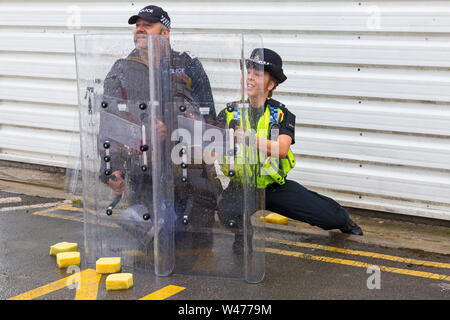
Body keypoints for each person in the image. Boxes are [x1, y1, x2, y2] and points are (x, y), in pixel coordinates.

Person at [216, 48, 363, 253]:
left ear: (271, 84)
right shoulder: (229, 112)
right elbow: (211, 144)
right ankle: (243, 235)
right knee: (225, 210)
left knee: (327, 216)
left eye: (257, 73)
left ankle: (343, 220)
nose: (249, 77)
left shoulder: (280, 113)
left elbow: (282, 149)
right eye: (248, 71)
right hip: (242, 185)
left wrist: (247, 138)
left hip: (273, 187)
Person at [100, 5, 222, 245]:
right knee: (157, 235)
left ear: (165, 33)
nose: (139, 30)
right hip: (145, 171)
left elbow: (208, 118)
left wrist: (173, 128)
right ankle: (156, 223)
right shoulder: (121, 69)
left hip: (189, 170)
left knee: (191, 235)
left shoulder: (188, 65)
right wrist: (112, 169)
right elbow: (109, 124)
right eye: (137, 26)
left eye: (147, 25)